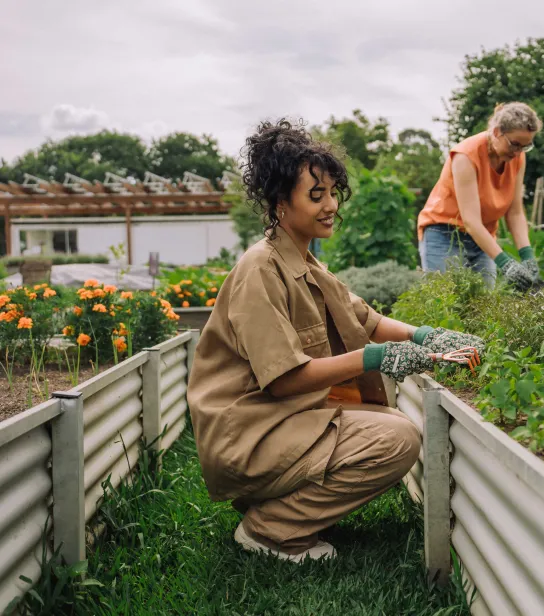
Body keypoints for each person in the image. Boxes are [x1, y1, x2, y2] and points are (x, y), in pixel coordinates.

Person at [187, 119, 484, 563]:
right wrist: (375, 359)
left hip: (281, 420)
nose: (330, 206)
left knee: (379, 417)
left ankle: (274, 506)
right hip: (250, 434)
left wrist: (427, 336)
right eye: (315, 195)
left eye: (331, 193)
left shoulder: (303, 260)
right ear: (279, 202)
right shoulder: (260, 271)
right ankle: (270, 530)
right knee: (397, 439)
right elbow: (285, 382)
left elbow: (365, 318)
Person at [417, 102, 543, 289]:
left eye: (525, 147)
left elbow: (515, 212)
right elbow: (471, 221)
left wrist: (527, 256)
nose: (518, 153)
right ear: (497, 132)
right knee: (445, 303)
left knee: (484, 305)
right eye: (515, 144)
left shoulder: (517, 158)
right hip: (444, 233)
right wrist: (506, 263)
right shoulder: (466, 156)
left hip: (483, 237)